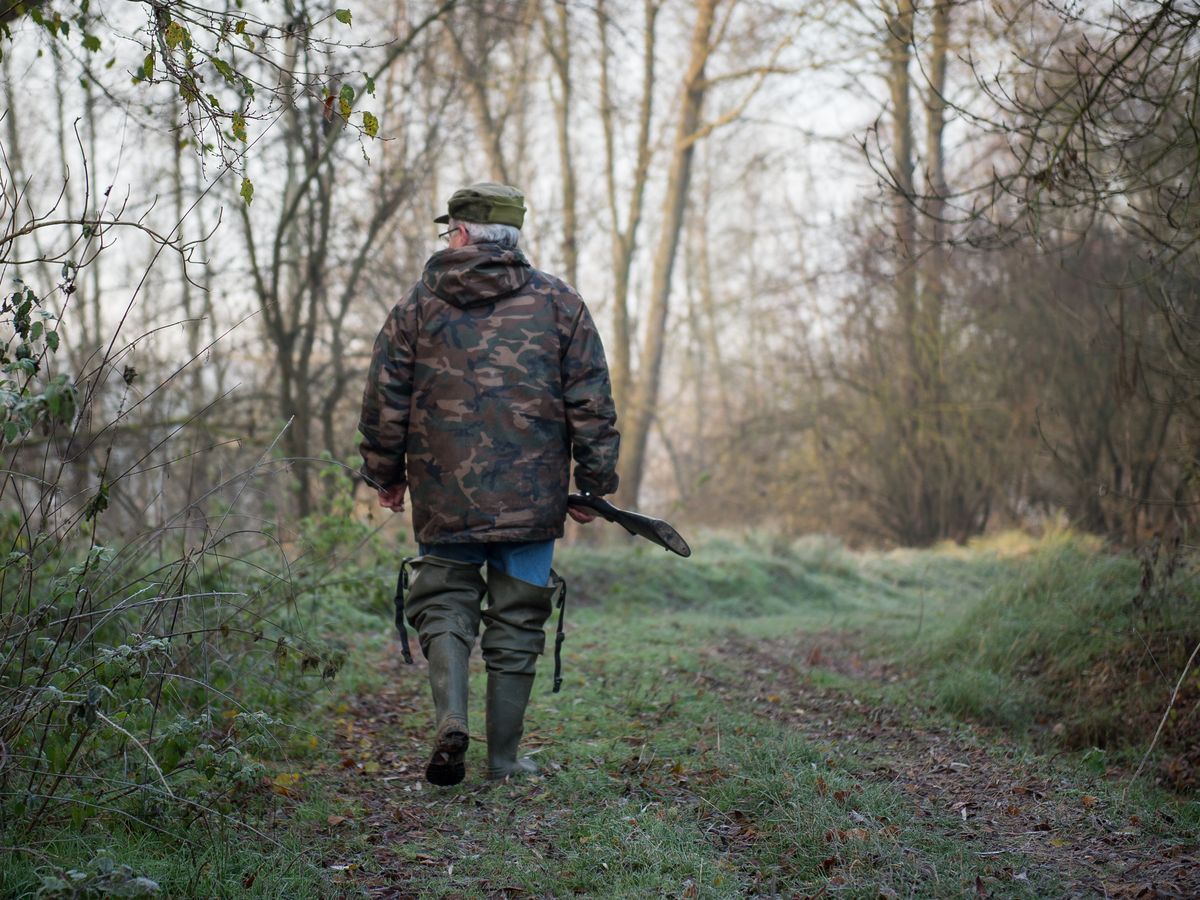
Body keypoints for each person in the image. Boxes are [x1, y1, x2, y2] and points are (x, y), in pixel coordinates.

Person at [357, 182, 620, 786]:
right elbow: (592, 401)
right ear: (512, 235)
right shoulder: (559, 302)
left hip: (445, 494)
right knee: (519, 618)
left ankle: (452, 718)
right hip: (534, 495)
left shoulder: (416, 307)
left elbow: (384, 398)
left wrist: (385, 474)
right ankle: (503, 760)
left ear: (461, 233)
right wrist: (595, 483)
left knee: (444, 601)